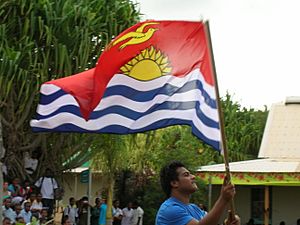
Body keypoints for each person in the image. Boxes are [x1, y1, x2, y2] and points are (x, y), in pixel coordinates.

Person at [155, 161, 240, 225]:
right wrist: (223, 199)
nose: (193, 177)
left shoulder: (195, 209)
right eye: (186, 175)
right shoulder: (170, 209)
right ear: (174, 183)